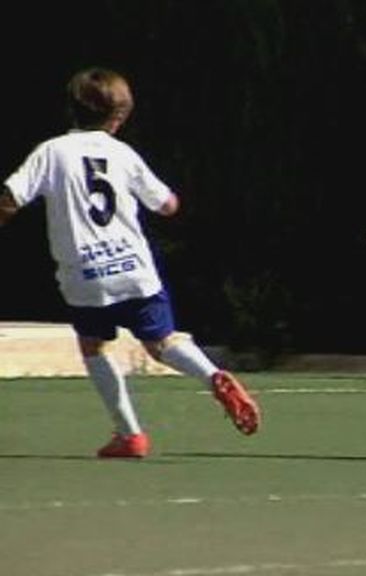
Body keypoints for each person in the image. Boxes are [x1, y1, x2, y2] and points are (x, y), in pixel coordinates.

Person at [0, 67, 261, 458]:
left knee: (93, 346)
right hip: (135, 269)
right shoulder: (123, 154)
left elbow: (10, 197)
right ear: (119, 117)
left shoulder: (52, 152)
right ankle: (213, 375)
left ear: (70, 109)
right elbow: (168, 205)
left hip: (85, 274)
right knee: (163, 341)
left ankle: (130, 434)